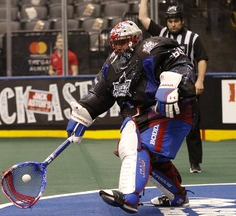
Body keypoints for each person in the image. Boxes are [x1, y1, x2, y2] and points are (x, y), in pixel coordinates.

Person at [66, 20, 196, 213]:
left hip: (170, 109)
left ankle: (129, 196)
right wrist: (83, 113)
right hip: (140, 115)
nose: (117, 47)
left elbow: (182, 63)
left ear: (135, 39)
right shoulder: (111, 64)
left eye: (122, 42)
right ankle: (176, 195)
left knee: (136, 147)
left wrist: (173, 83)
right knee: (145, 154)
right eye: (115, 43)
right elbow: (100, 94)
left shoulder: (151, 48)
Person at [139, 0, 209, 173]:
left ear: (182, 21)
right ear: (166, 22)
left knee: (192, 125)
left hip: (187, 87)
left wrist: (200, 80)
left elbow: (201, 58)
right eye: (170, 21)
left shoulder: (193, 38)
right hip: (164, 87)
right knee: (159, 120)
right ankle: (158, 159)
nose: (173, 24)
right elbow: (142, 17)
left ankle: (195, 163)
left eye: (176, 20)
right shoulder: (161, 33)